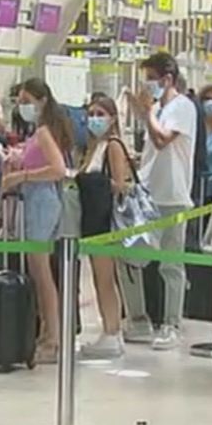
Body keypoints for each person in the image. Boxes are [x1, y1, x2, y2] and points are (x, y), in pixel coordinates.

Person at [122, 52, 199, 350]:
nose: (148, 85)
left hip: (174, 197)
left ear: (167, 79)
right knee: (130, 256)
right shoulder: (161, 109)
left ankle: (172, 323)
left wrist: (147, 113)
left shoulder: (182, 108)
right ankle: (139, 318)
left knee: (171, 264)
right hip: (147, 195)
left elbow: (162, 140)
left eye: (152, 79)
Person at [1, 78, 72, 364]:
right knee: (39, 271)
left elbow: (57, 169)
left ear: (42, 101)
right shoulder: (41, 131)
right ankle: (46, 332)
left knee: (43, 275)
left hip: (42, 200)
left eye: (27, 101)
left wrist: (23, 176)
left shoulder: (43, 132)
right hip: (36, 199)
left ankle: (53, 338)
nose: (22, 107)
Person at [76, 96, 132, 360]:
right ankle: (108, 330)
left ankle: (112, 331)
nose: (94, 118)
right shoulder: (92, 147)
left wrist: (99, 186)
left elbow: (120, 184)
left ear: (111, 117)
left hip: (105, 221)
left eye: (100, 113)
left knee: (106, 278)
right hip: (91, 221)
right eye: (91, 113)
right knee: (99, 279)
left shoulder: (112, 147)